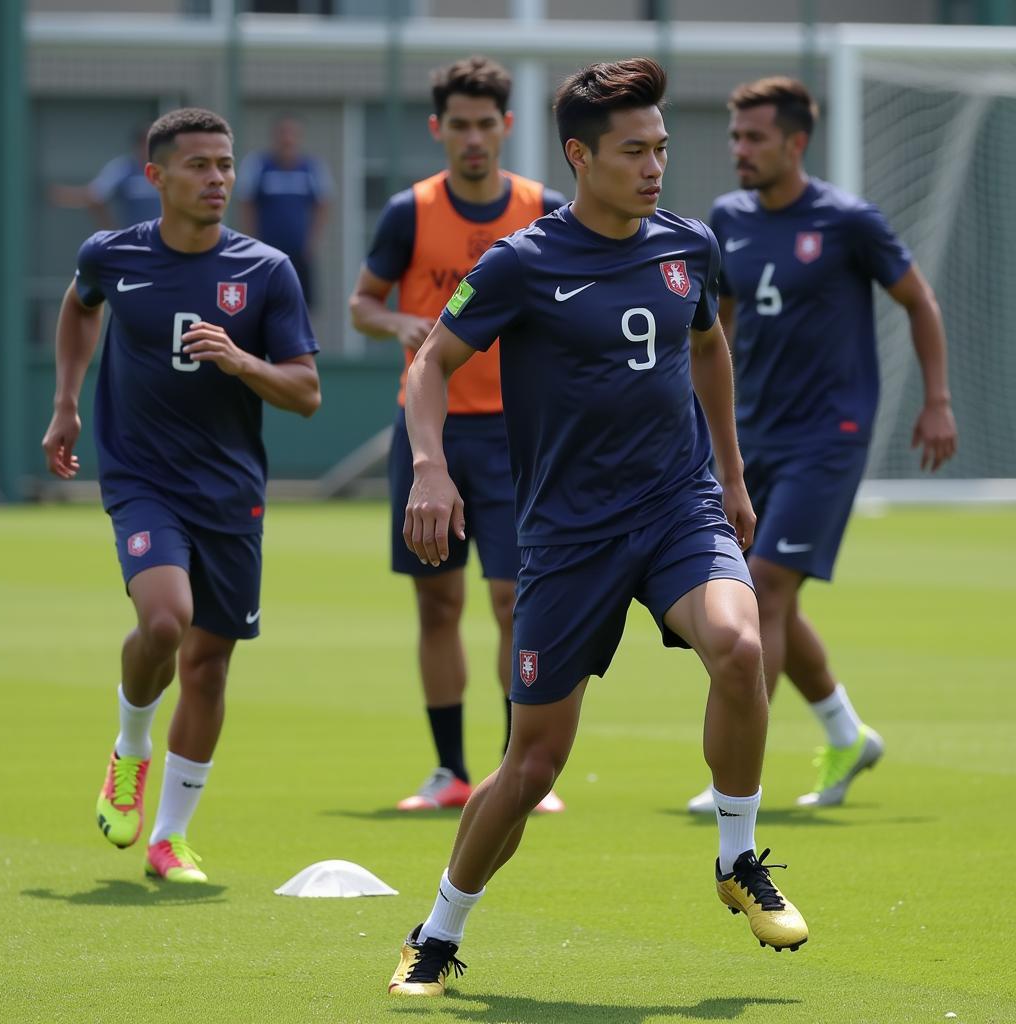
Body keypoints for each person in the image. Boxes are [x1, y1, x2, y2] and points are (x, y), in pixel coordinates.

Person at [386, 57, 808, 998]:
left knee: (739, 649)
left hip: (676, 507)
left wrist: (731, 478)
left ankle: (737, 860)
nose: (655, 166)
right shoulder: (523, 262)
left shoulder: (685, 246)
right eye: (633, 152)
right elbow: (429, 365)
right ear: (580, 156)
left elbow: (709, 345)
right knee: (532, 765)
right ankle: (438, 932)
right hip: (569, 537)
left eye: (661, 148)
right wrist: (430, 464)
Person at [40, 107, 321, 883]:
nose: (218, 179)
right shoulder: (112, 252)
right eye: (199, 166)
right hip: (142, 478)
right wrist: (66, 402)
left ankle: (169, 839)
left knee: (208, 666)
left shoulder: (267, 271)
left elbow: (305, 393)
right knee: (165, 621)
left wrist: (242, 362)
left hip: (230, 490)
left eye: (226, 165)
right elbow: (79, 305)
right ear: (156, 177)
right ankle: (130, 745)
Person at [686, 77, 957, 814]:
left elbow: (918, 301)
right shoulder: (727, 218)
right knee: (762, 589)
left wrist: (935, 400)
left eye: (754, 138)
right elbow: (722, 328)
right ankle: (846, 730)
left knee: (766, 587)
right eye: (736, 137)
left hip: (829, 434)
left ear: (795, 143)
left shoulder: (848, 221)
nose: (739, 150)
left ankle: (735, 780)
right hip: (755, 435)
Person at [349, 55, 567, 814]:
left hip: (519, 439)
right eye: (459, 126)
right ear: (439, 130)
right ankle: (448, 772)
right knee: (437, 605)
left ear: (506, 128)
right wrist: (399, 321)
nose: (473, 139)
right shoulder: (410, 212)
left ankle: (519, 768)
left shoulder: (544, 207)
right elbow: (361, 303)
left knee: (516, 601)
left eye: (486, 124)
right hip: (430, 438)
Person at [239, 116, 333, 308]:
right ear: (275, 136)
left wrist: (312, 242)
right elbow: (247, 204)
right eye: (283, 133)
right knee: (264, 302)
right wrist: (252, 240)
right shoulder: (259, 165)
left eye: (292, 134)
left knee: (301, 305)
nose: (287, 139)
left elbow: (323, 204)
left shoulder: (311, 168)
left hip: (298, 252)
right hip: (266, 252)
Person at [49, 126, 161, 230]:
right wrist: (112, 233)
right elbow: (95, 196)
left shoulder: (167, 168)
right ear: (138, 145)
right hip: (138, 243)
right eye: (147, 143)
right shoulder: (124, 169)